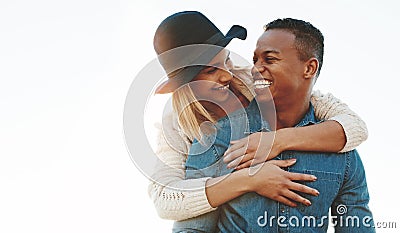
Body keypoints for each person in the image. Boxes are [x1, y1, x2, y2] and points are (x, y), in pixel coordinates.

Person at [147, 11, 369, 231]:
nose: (226, 75)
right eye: (209, 71)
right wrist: (250, 180)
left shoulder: (255, 81)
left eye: (226, 61)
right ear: (186, 84)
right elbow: (166, 200)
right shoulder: (182, 127)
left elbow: (354, 126)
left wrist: (276, 141)